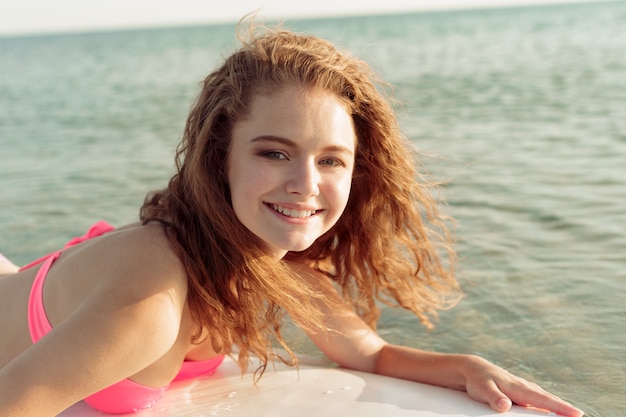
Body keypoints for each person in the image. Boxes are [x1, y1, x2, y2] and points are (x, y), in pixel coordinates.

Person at [0, 25, 584, 417]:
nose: (306, 184)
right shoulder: (153, 306)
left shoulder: (285, 267)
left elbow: (370, 356)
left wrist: (468, 367)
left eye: (331, 160)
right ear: (218, 156)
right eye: (274, 153)